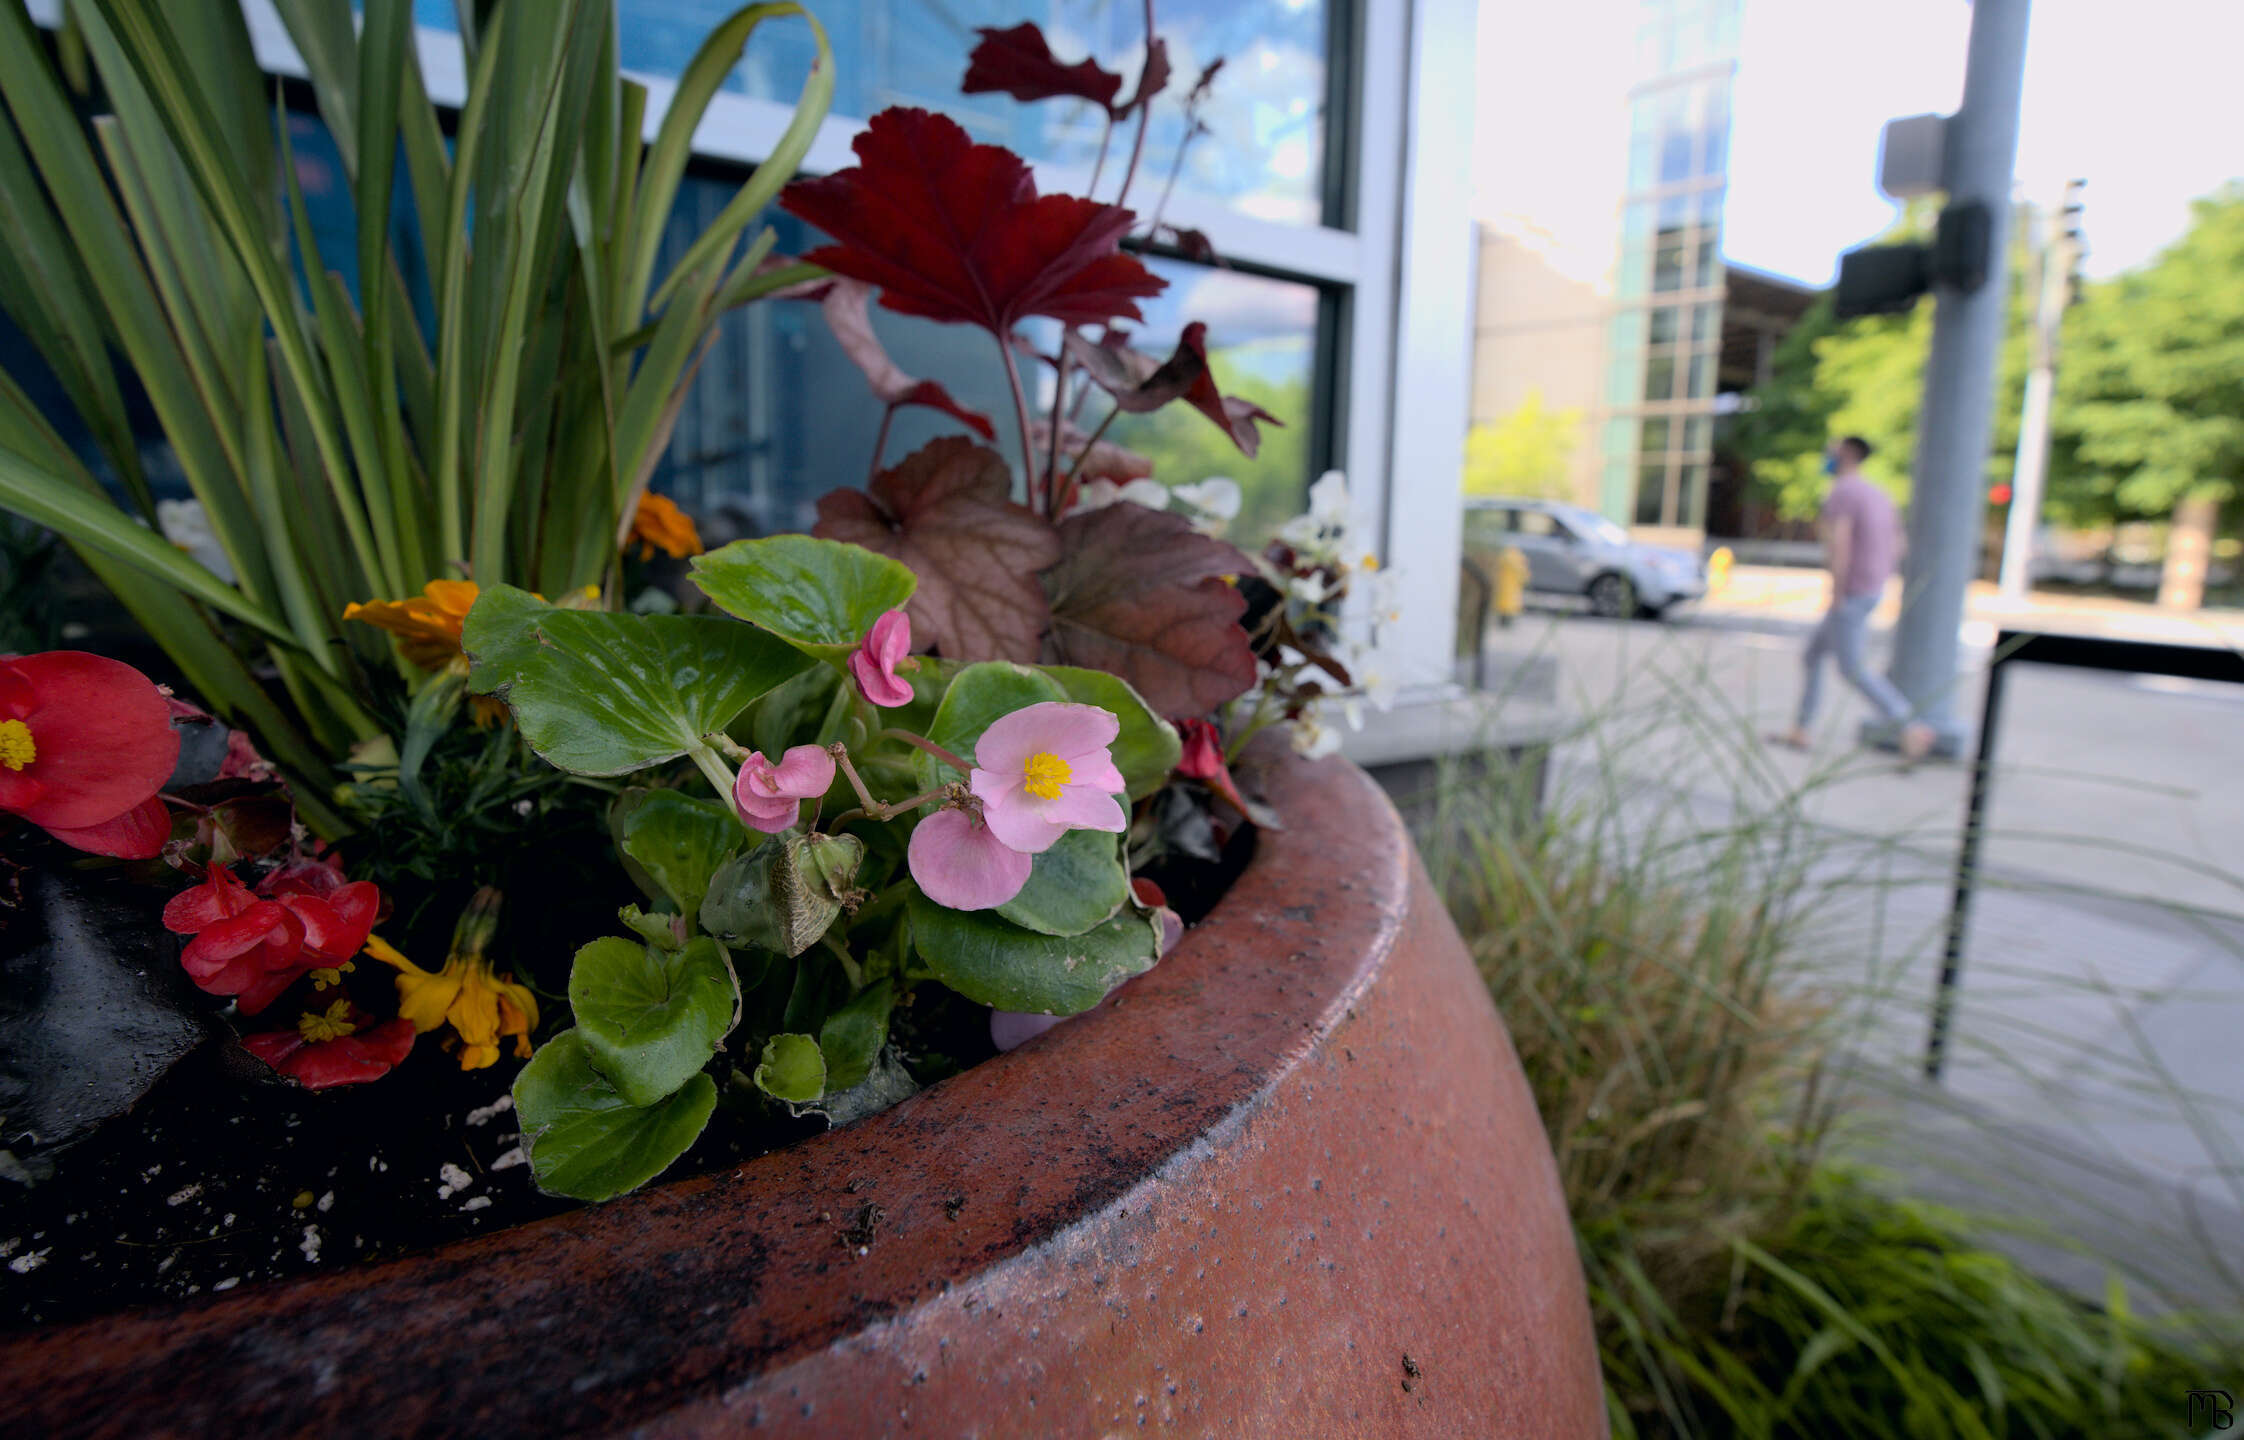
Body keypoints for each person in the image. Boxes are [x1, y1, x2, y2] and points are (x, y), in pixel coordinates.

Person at [1771, 437, 1934, 760]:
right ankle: (1801, 728)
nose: (1827, 456)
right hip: (1871, 587)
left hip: (1852, 591)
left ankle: (1910, 725)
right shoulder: (1879, 493)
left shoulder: (1843, 493)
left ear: (1846, 454)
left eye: (1832, 450)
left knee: (1851, 668)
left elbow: (1840, 545)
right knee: (1812, 655)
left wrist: (1837, 591)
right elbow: (1899, 544)